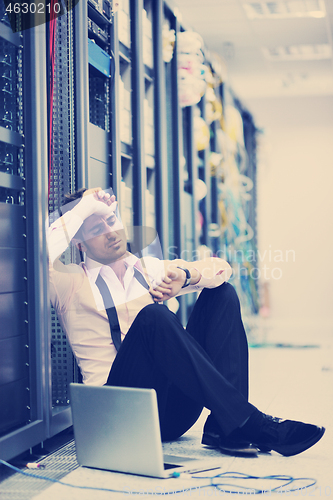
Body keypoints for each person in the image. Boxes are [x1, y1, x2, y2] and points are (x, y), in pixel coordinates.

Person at [47, 187, 325, 457]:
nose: (110, 233)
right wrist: (85, 207)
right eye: (96, 230)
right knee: (153, 317)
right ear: (78, 242)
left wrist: (186, 275)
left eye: (111, 221)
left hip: (173, 414)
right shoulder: (69, 284)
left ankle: (227, 427)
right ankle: (251, 422)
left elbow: (221, 268)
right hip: (119, 413)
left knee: (222, 293)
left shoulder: (150, 270)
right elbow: (38, 253)